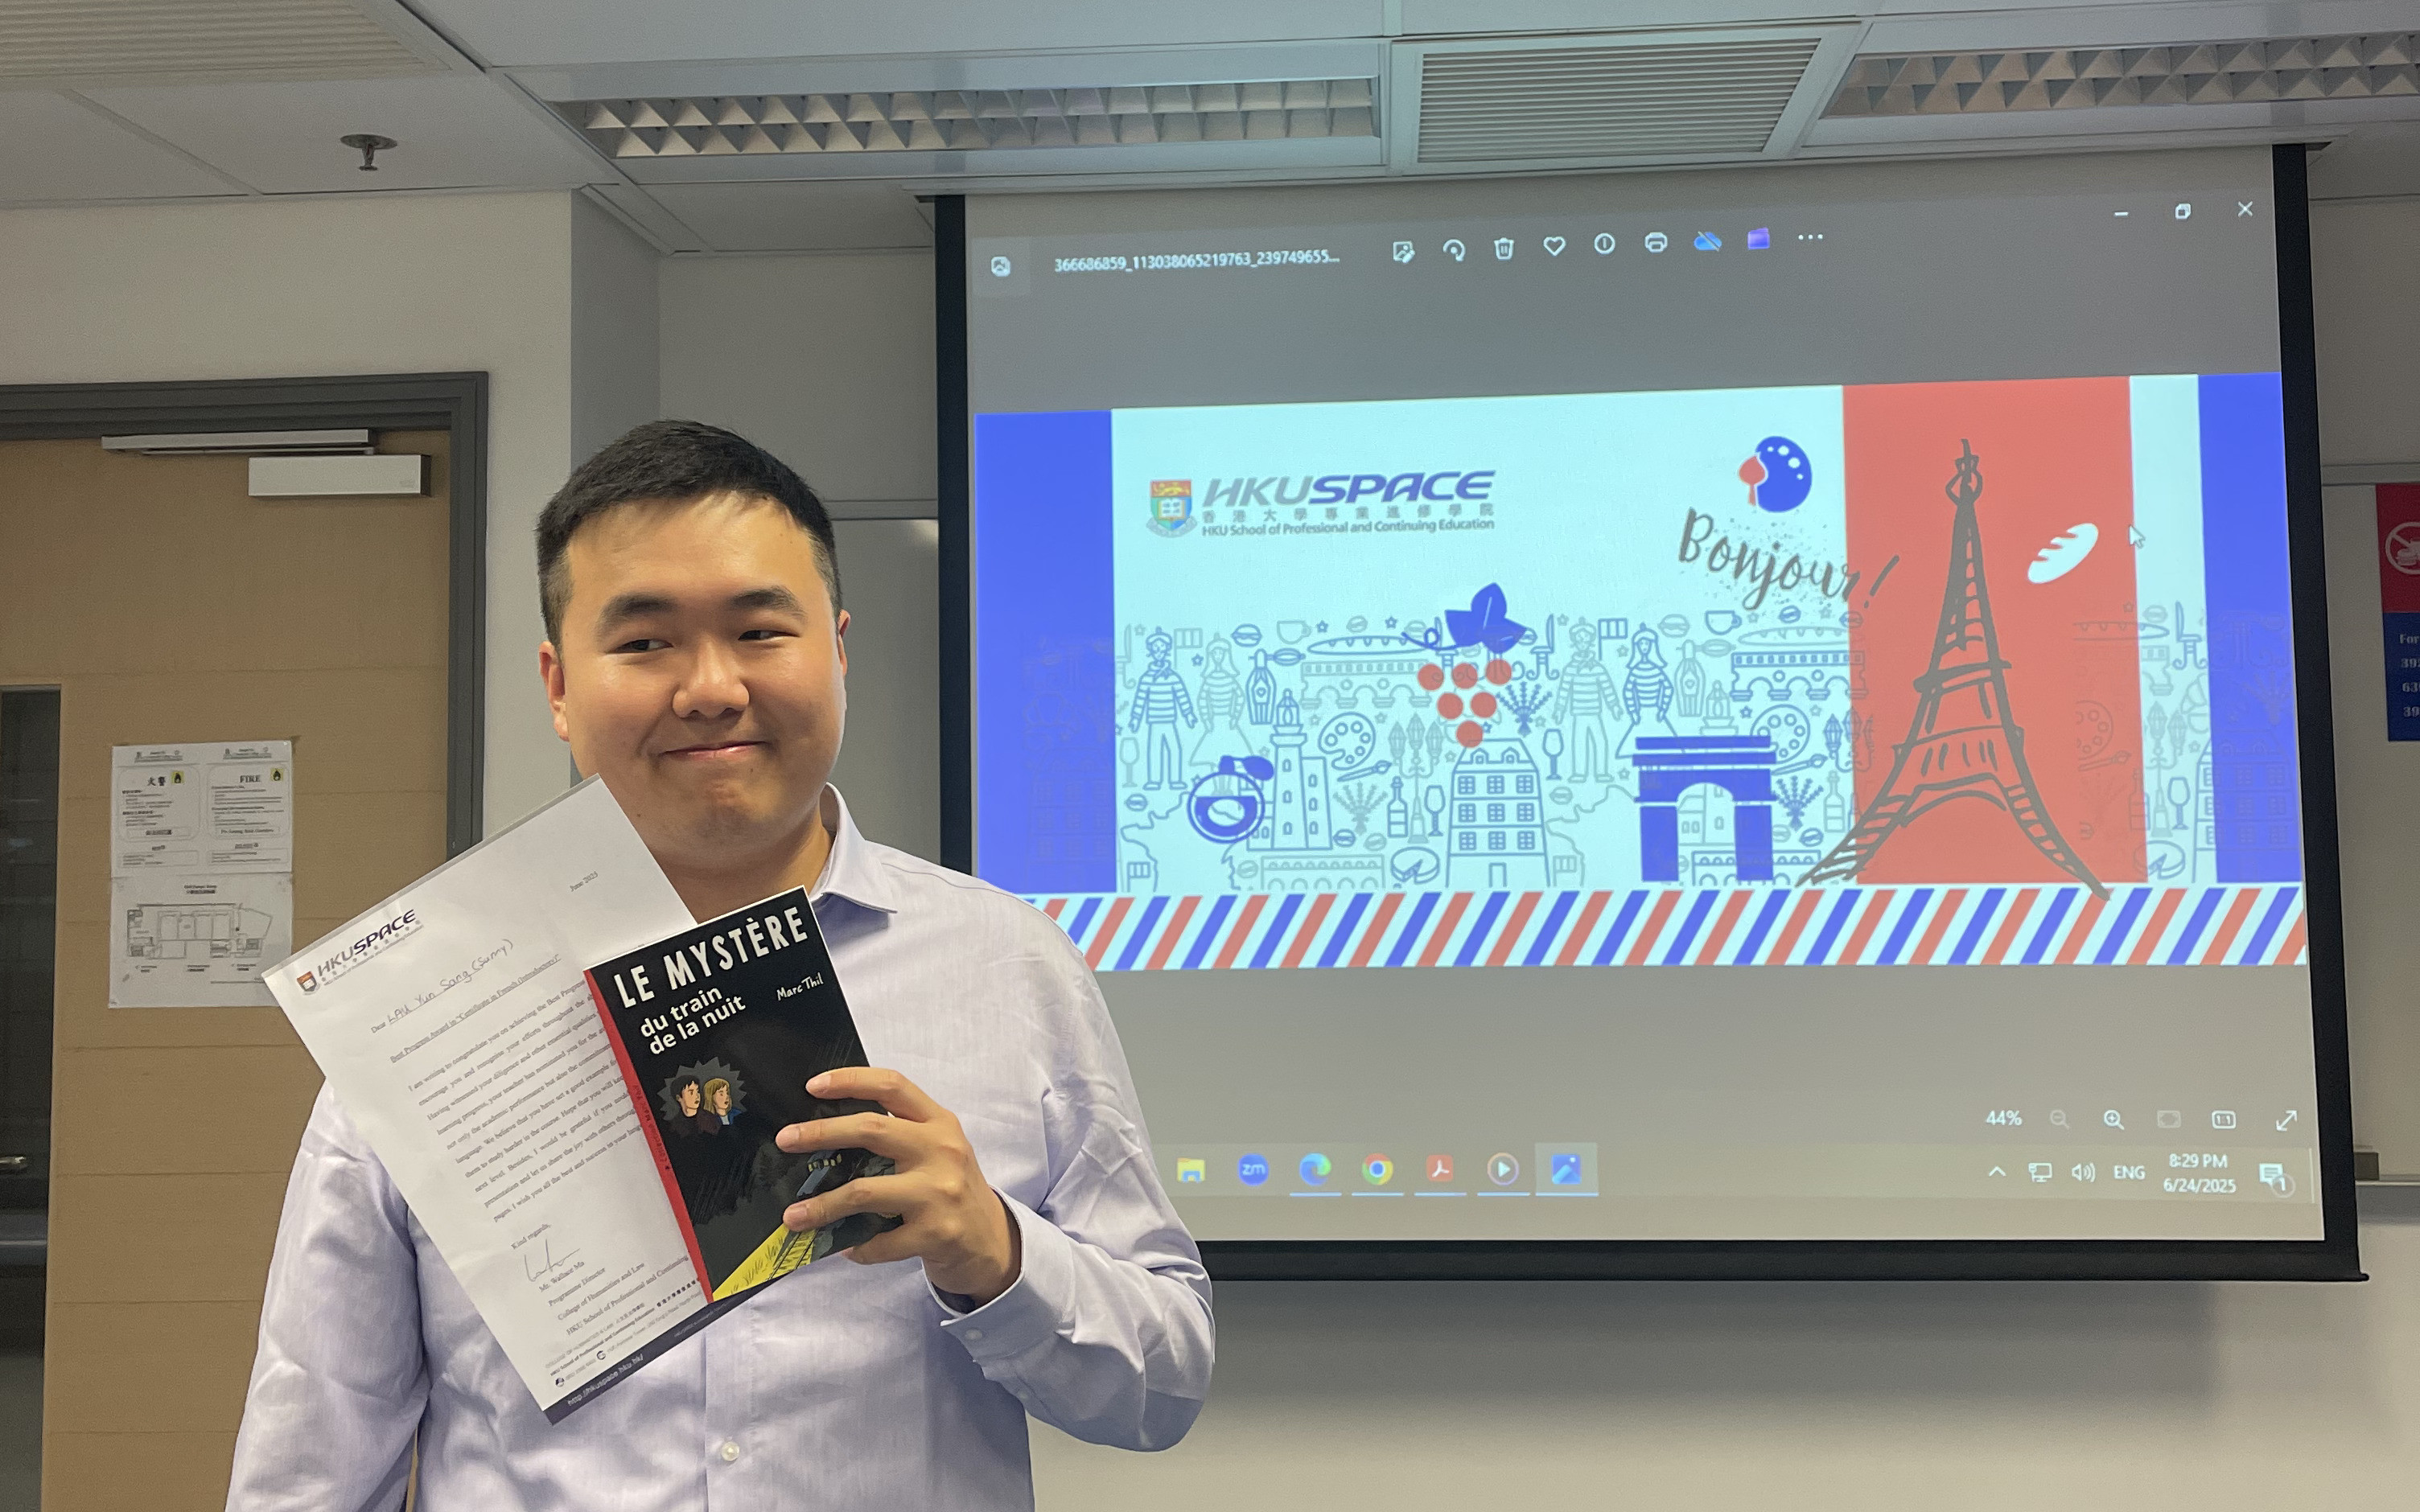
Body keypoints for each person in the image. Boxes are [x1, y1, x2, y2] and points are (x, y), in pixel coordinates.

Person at [227, 419, 1213, 1510]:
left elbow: (1162, 1386)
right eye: (645, 643)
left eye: (758, 631)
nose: (709, 688)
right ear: (558, 686)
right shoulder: (426, 1015)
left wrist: (997, 1252)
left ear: (838, 651)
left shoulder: (1006, 965)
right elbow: (314, 1452)